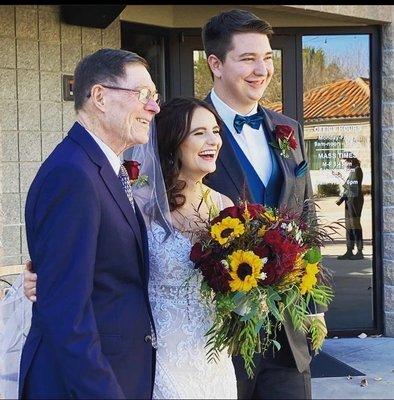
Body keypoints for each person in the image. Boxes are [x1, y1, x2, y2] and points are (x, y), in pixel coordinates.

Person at [22, 97, 238, 399]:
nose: (212, 141)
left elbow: (243, 281)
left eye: (215, 131)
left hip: (212, 357)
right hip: (157, 357)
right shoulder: (140, 203)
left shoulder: (226, 208)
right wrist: (41, 278)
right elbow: (96, 260)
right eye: (199, 133)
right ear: (173, 141)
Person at [16, 48, 161, 399]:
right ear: (99, 96)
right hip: (83, 385)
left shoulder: (100, 167)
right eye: (143, 95)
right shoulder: (73, 174)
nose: (154, 108)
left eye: (155, 97)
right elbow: (68, 314)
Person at [201, 9, 327, 399]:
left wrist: (313, 304)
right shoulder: (182, 129)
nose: (262, 69)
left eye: (267, 58)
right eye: (248, 59)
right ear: (215, 64)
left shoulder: (288, 129)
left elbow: (307, 217)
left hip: (288, 336)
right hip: (216, 335)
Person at [336, 156, 364, 260]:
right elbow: (347, 188)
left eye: (344, 162)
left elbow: (352, 187)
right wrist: (341, 200)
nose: (344, 165)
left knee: (355, 224)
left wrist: (341, 178)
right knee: (348, 225)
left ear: (350, 161)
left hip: (355, 201)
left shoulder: (357, 170)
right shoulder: (352, 171)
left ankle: (360, 251)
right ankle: (349, 250)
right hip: (349, 201)